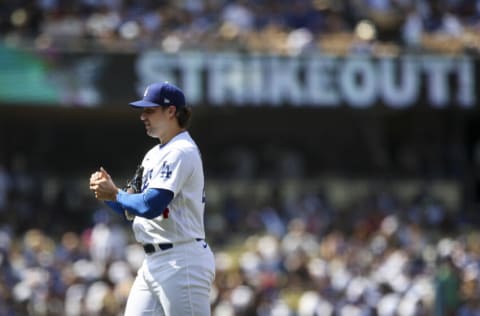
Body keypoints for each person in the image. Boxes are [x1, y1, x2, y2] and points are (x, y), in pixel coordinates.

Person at [89, 82, 215, 316]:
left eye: (150, 110)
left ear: (171, 111)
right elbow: (131, 207)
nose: (143, 116)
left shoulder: (181, 150)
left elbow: (150, 205)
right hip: (153, 262)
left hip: (182, 259)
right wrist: (107, 193)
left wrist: (115, 193)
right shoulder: (154, 154)